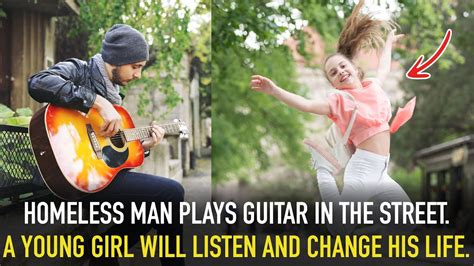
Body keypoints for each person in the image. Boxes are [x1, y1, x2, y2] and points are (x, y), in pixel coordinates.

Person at [250, 1, 415, 236]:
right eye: (334, 73)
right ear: (333, 83)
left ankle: (360, 240)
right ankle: (323, 172)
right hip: (363, 168)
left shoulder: (374, 87)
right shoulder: (340, 102)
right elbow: (306, 104)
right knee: (338, 226)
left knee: (407, 221)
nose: (340, 72)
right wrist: (275, 90)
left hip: (381, 171)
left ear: (355, 69)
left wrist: (388, 42)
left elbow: (384, 67)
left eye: (342, 66)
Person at [28, 24, 185, 266]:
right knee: (171, 193)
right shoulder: (81, 71)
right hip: (71, 179)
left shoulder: (116, 95)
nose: (138, 75)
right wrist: (96, 102)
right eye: (135, 67)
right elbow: (38, 82)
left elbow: (108, 158)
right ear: (118, 59)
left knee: (151, 208)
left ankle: (99, 251)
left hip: (97, 178)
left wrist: (144, 147)